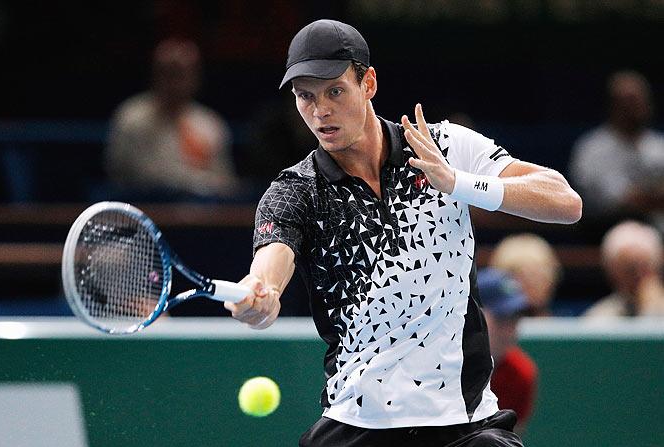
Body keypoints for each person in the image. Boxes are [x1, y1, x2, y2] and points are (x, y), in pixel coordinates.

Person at [225, 19, 581, 446]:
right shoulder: (294, 193)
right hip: (357, 426)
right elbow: (270, 266)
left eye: (335, 91)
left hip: (465, 427)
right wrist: (259, 295)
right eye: (306, 97)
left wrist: (458, 182)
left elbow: (565, 202)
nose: (320, 111)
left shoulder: (444, 146)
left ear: (368, 83)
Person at [104, 38, 240, 201]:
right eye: (168, 72)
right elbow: (132, 174)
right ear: (155, 74)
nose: (175, 82)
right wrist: (196, 182)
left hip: (202, 218)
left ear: (195, 76)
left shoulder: (209, 123)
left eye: (182, 73)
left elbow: (224, 182)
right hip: (146, 210)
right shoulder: (132, 118)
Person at [569, 70, 664, 233]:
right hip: (607, 232)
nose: (637, 108)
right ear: (614, 105)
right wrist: (653, 197)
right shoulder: (592, 149)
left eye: (641, 100)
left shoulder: (659, 145)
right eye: (630, 102)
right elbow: (620, 200)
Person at [477, 268, 538, 435]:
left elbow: (510, 437)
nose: (510, 331)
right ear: (474, 315)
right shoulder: (444, 366)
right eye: (501, 319)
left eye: (515, 319)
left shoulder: (521, 373)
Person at [584, 220, 664, 318]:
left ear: (656, 266)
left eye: (644, 266)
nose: (638, 275)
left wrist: (654, 308)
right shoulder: (600, 317)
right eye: (630, 269)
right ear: (612, 270)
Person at [489, 233, 562, 317]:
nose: (533, 283)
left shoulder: (571, 324)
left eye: (539, 275)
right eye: (521, 275)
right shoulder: (481, 325)